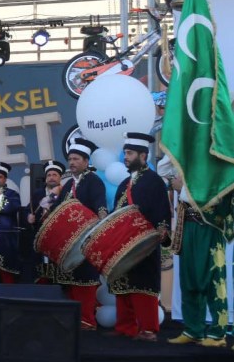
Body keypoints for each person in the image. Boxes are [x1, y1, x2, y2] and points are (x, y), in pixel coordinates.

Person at [160, 163, 232, 347]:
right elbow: (163, 169)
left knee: (212, 278)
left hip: (208, 227)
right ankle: (193, 330)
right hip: (188, 225)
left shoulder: (217, 162)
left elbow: (212, 193)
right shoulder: (189, 158)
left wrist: (183, 187)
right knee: (189, 279)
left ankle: (217, 333)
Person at [109, 132, 171, 342]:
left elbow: (162, 210)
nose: (125, 157)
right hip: (123, 243)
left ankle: (148, 330)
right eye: (125, 153)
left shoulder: (154, 181)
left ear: (143, 156)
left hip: (144, 243)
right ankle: (125, 327)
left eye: (130, 153)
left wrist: (162, 230)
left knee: (143, 285)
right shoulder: (124, 183)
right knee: (123, 284)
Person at [50, 139, 106, 330]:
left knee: (85, 281)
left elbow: (100, 207)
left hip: (85, 240)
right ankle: (74, 318)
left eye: (76, 159)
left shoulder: (94, 181)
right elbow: (57, 209)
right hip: (68, 243)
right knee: (70, 281)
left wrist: (99, 227)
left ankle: (87, 320)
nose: (72, 162)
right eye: (70, 159)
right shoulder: (67, 185)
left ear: (86, 161)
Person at [23, 160, 65, 284]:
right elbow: (28, 210)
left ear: (60, 177)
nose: (51, 177)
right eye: (49, 175)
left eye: (54, 175)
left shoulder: (65, 193)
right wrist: (28, 216)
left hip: (59, 235)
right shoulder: (38, 193)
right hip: (40, 234)